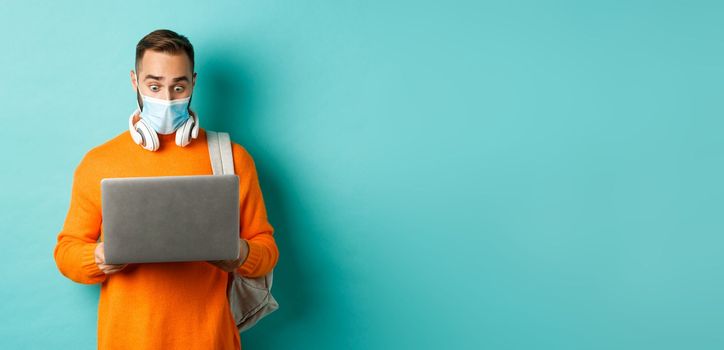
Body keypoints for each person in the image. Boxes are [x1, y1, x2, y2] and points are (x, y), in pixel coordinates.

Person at [53, 29, 279, 350]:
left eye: (178, 87)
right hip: (127, 341)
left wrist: (239, 254)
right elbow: (67, 251)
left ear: (193, 82)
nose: (167, 99)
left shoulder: (232, 157)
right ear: (135, 81)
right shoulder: (98, 161)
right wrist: (99, 258)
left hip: (211, 340)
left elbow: (266, 249)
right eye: (154, 86)